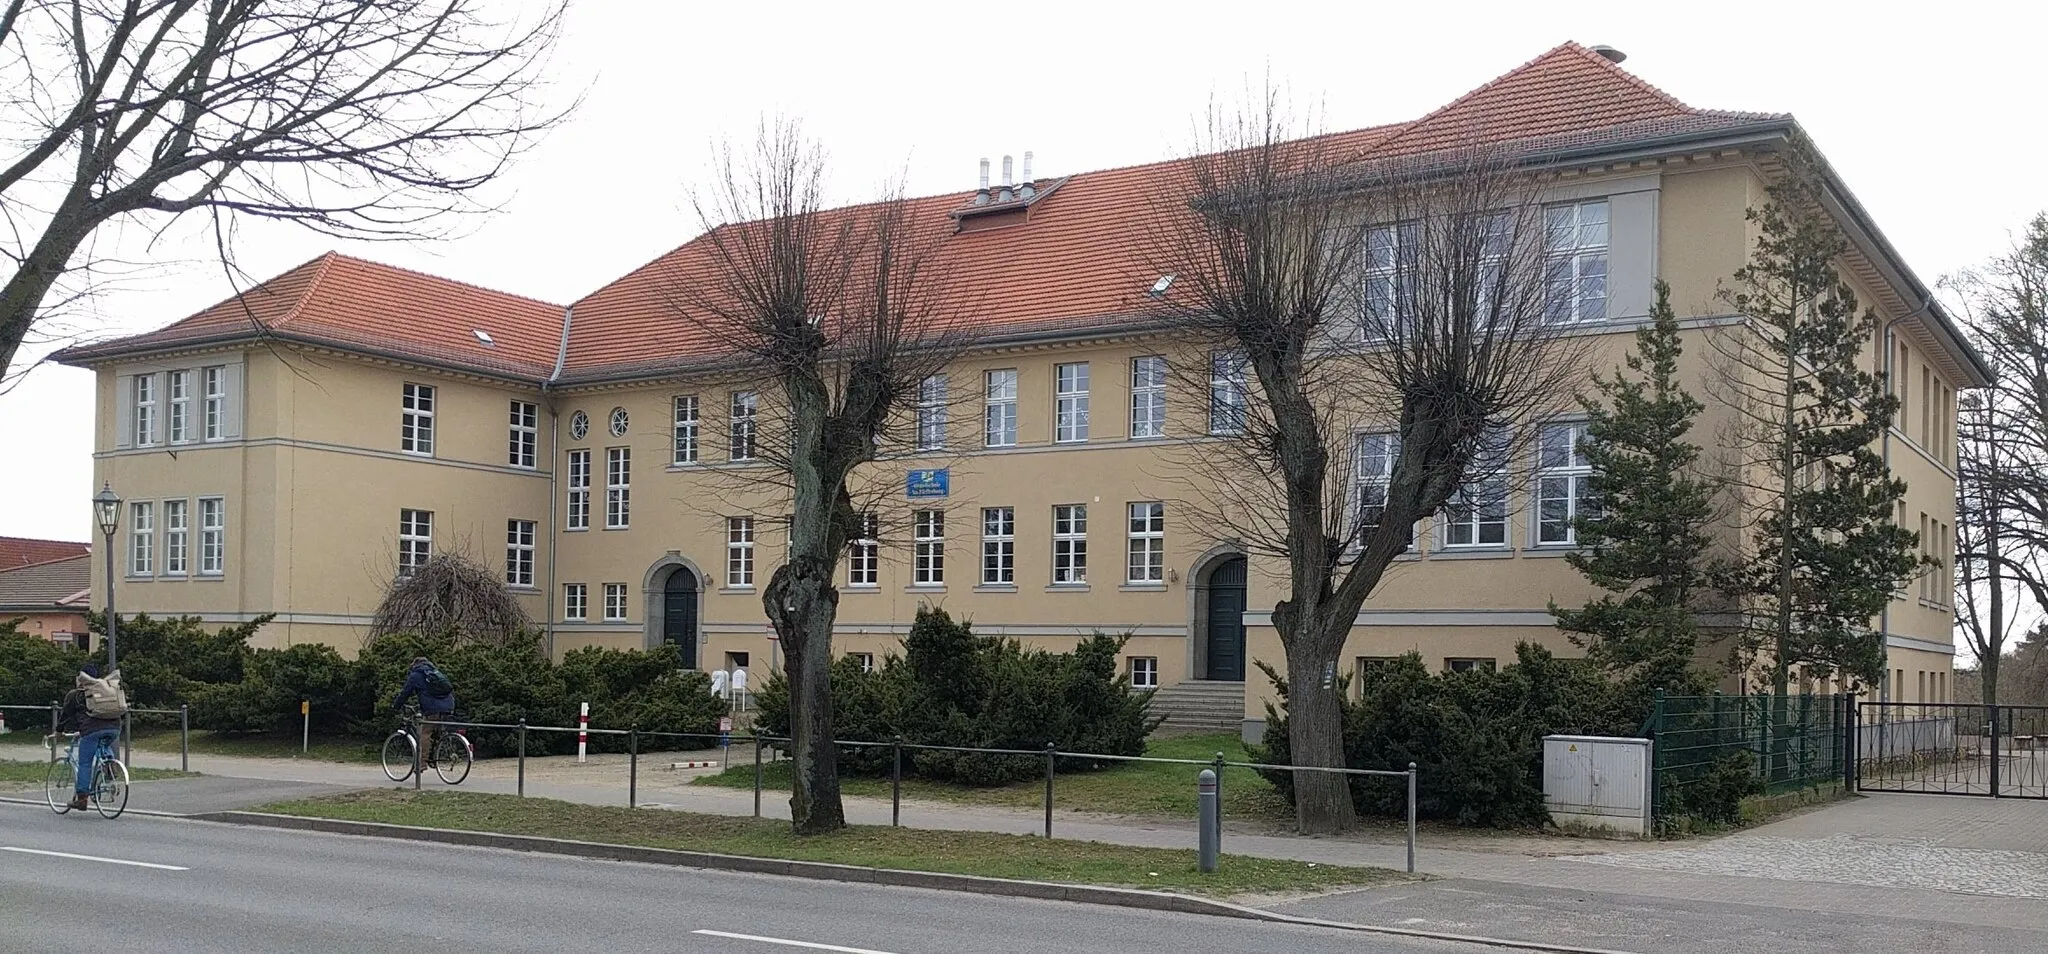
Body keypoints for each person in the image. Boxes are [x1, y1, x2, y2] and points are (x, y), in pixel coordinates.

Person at [55, 664, 123, 811]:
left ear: (80, 678)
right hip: (115, 729)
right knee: (103, 746)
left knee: (85, 763)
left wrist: (59, 732)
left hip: (91, 731)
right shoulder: (105, 689)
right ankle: (110, 767)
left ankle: (82, 799)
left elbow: (66, 715)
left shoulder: (76, 694)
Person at [391, 657, 456, 767]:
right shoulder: (435, 672)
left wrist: (396, 706)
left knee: (425, 733)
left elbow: (405, 693)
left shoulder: (415, 675)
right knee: (437, 731)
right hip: (449, 705)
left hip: (433, 709)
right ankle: (437, 754)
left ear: (414, 665)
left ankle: (421, 764)